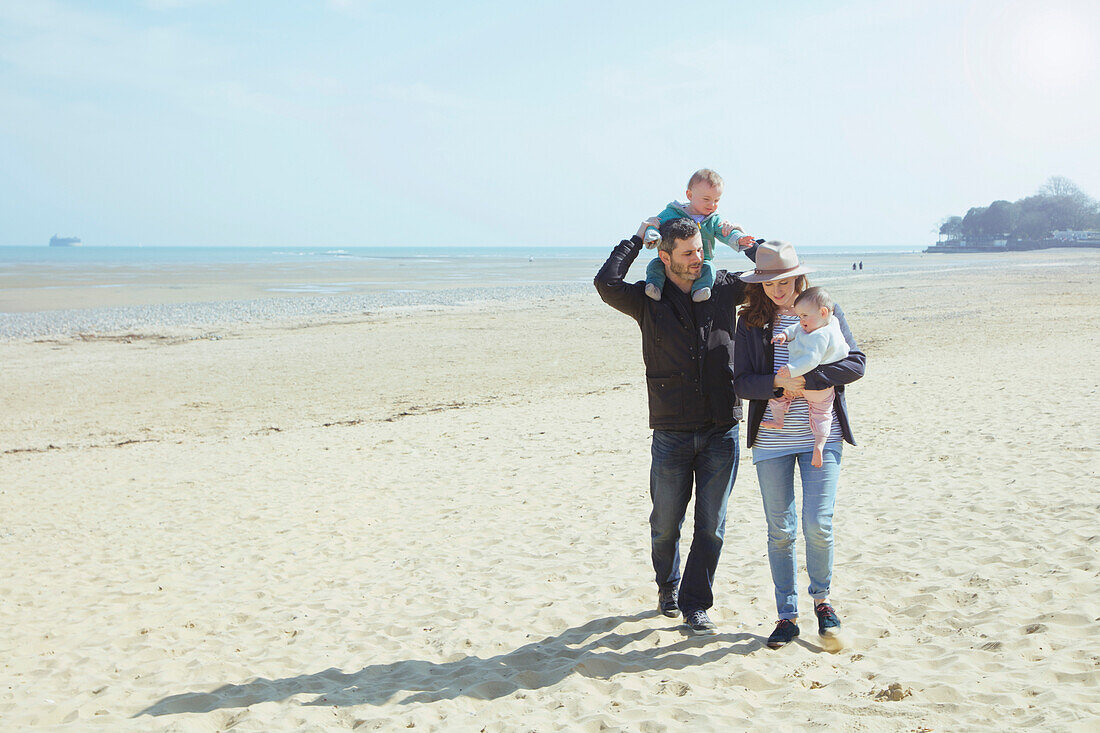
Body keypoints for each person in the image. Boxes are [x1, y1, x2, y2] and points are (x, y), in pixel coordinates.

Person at [594, 217, 756, 635]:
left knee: (712, 525)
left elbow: (772, 274)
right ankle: (667, 585)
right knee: (665, 522)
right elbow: (606, 282)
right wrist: (635, 238)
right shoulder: (648, 297)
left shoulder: (721, 286)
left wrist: (742, 240)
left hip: (722, 426)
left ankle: (695, 604)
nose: (697, 258)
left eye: (700, 249)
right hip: (670, 430)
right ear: (664, 256)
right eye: (687, 253)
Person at [731, 241, 866, 649]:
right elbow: (740, 381)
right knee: (781, 531)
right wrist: (777, 383)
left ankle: (822, 603)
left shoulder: (826, 311)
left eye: (784, 280)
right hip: (771, 441)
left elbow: (855, 363)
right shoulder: (749, 322)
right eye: (768, 282)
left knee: (817, 525)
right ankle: (786, 617)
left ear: (798, 277)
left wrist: (807, 381)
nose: (777, 289)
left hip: (820, 437)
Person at [762, 286, 850, 468]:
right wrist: (785, 334)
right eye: (799, 316)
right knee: (820, 413)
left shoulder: (820, 335)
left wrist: (791, 369)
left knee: (788, 400)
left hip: (817, 385)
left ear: (824, 312)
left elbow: (812, 360)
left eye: (803, 316)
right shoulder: (820, 322)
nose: (800, 321)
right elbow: (795, 328)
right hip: (814, 390)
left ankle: (815, 442)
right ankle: (817, 441)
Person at [640, 169, 756, 303]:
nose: (712, 205)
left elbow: (726, 232)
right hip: (670, 258)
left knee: (709, 269)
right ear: (689, 195)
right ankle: (654, 287)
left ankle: (701, 289)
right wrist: (652, 236)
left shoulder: (713, 219)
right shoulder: (672, 212)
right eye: (706, 199)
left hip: (703, 260)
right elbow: (655, 224)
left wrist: (739, 238)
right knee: (655, 266)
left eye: (716, 200)